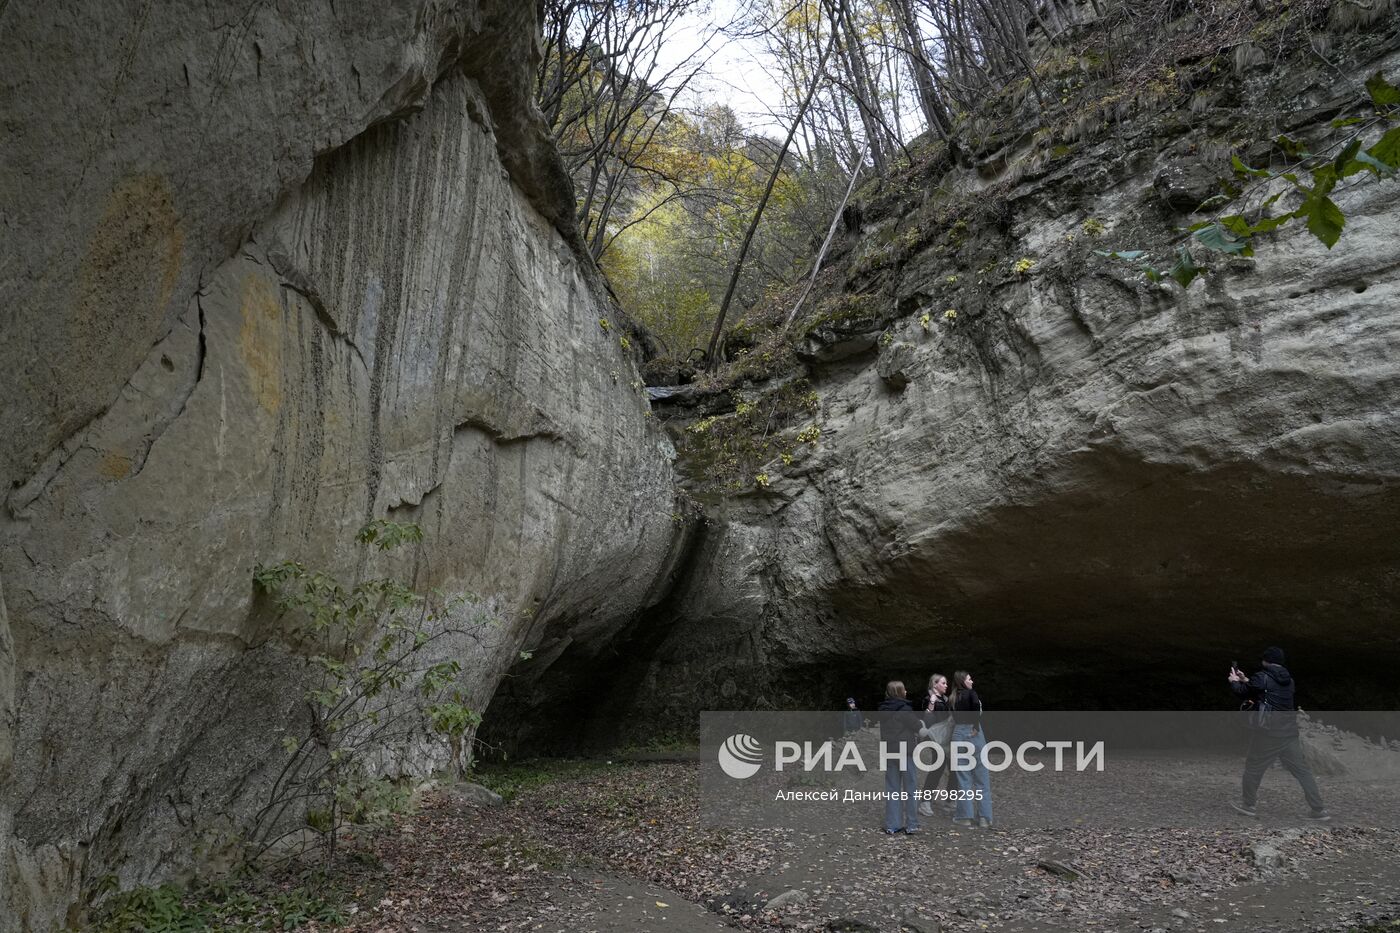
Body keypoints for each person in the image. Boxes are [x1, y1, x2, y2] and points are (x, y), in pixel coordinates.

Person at [1228, 647, 1330, 821]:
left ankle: (1248, 806)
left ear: (1265, 661)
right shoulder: (1289, 680)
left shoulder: (1262, 676)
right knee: (1302, 771)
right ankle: (1319, 810)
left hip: (1268, 733)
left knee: (1253, 768)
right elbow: (1262, 690)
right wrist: (1246, 679)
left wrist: (1234, 681)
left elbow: (1243, 693)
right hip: (1289, 734)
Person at [877, 680, 923, 834]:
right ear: (899, 692)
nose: (906, 691)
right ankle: (912, 824)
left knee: (892, 789)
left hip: (890, 752)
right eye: (904, 689)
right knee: (910, 788)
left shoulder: (883, 710)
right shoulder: (905, 709)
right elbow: (917, 727)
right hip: (906, 752)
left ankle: (892, 825)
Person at [949, 670, 993, 828]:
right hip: (974, 733)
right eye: (969, 679)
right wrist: (975, 725)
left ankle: (965, 817)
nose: (972, 681)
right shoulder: (971, 693)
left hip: (958, 734)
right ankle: (984, 818)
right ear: (963, 681)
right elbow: (975, 708)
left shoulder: (953, 698)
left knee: (963, 778)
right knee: (982, 778)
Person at [917, 674, 953, 818]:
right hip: (936, 739)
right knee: (937, 768)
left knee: (954, 768)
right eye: (943, 683)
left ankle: (950, 800)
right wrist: (931, 704)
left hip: (946, 738)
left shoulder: (945, 699)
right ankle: (925, 802)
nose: (946, 685)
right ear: (934, 684)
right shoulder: (928, 699)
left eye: (946, 683)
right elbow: (927, 718)